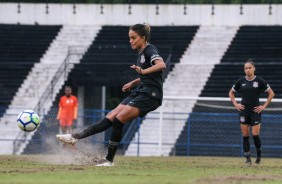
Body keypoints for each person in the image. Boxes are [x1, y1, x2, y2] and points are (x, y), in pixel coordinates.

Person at [56, 23, 166, 166]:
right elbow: (149, 75)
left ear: (143, 38)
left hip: (151, 95)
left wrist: (143, 72)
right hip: (141, 91)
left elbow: (161, 65)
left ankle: (109, 160)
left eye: (133, 38)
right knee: (110, 117)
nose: (130, 41)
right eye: (129, 38)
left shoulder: (149, 50)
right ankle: (74, 137)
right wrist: (134, 82)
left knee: (119, 120)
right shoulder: (141, 52)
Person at [228, 59, 275, 164]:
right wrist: (236, 104)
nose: (248, 70)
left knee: (255, 135)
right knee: (245, 135)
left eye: (250, 68)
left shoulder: (259, 81)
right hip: (244, 112)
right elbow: (231, 93)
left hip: (255, 112)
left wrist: (263, 106)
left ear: (254, 69)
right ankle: (248, 158)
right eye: (246, 68)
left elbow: (271, 93)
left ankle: (258, 156)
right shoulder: (240, 81)